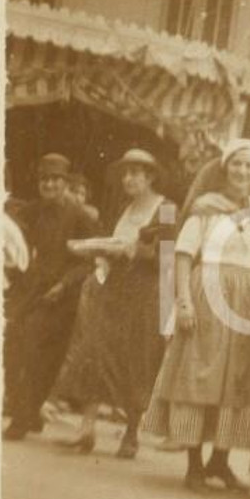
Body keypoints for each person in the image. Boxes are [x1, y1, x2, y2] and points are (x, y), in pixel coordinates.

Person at [141, 139, 250, 492]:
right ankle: (194, 463)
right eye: (237, 165)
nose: (243, 172)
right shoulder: (206, 209)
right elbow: (183, 254)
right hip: (208, 292)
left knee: (237, 379)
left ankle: (221, 461)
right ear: (225, 169)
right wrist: (183, 302)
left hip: (245, 299)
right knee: (200, 373)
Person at [52, 149, 176, 458]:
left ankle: (131, 434)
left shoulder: (168, 208)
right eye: (125, 173)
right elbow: (108, 240)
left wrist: (133, 251)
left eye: (135, 173)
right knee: (97, 352)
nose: (128, 179)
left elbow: (168, 255)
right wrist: (101, 252)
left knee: (135, 359)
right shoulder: (123, 206)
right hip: (114, 289)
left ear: (150, 177)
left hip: (145, 294)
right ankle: (86, 430)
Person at [3, 153, 97, 441]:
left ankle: (22, 417)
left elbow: (89, 259)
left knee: (38, 356)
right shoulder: (33, 211)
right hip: (32, 290)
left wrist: (65, 285)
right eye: (45, 179)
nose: (50, 185)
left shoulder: (80, 216)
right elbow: (14, 238)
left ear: (66, 183)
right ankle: (26, 411)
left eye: (56, 179)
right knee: (13, 346)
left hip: (61, 296)